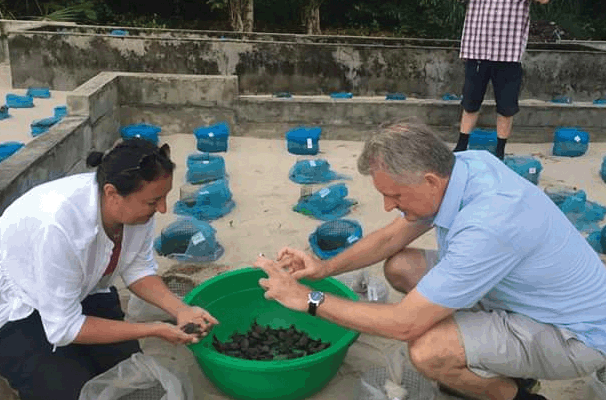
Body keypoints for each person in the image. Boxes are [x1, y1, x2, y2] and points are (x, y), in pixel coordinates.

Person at [255, 121, 606, 400]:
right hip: (522, 292)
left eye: (394, 195)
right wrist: (324, 268)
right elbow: (391, 238)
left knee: (427, 350)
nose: (388, 206)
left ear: (429, 181)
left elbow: (403, 325)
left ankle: (517, 394)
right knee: (400, 266)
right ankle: (491, 356)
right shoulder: (465, 165)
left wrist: (309, 299)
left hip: (572, 334)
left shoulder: (488, 224)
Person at [0, 138, 218, 400]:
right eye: (153, 201)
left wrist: (181, 310)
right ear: (112, 194)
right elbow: (64, 328)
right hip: (18, 307)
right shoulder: (58, 227)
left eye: (164, 197)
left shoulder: (135, 211)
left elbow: (138, 268)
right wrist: (154, 328)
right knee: (72, 391)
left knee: (129, 377)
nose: (162, 209)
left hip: (82, 289)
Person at [452, 0, 550, 160]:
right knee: (470, 103)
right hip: (477, 51)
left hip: (508, 54)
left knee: (506, 107)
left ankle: (500, 151)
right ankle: (461, 146)